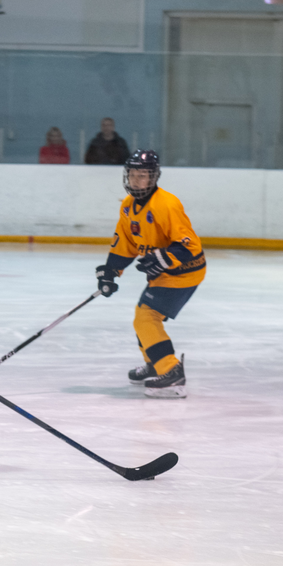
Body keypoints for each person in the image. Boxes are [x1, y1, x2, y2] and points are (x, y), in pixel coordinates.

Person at [94, 150, 205, 398]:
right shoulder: (127, 206)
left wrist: (163, 257)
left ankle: (172, 372)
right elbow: (124, 243)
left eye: (142, 175)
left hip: (184, 272)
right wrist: (111, 272)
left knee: (145, 317)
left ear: (153, 177)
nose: (136, 180)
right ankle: (155, 362)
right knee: (142, 316)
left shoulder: (167, 204)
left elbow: (189, 245)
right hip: (165, 273)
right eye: (132, 174)